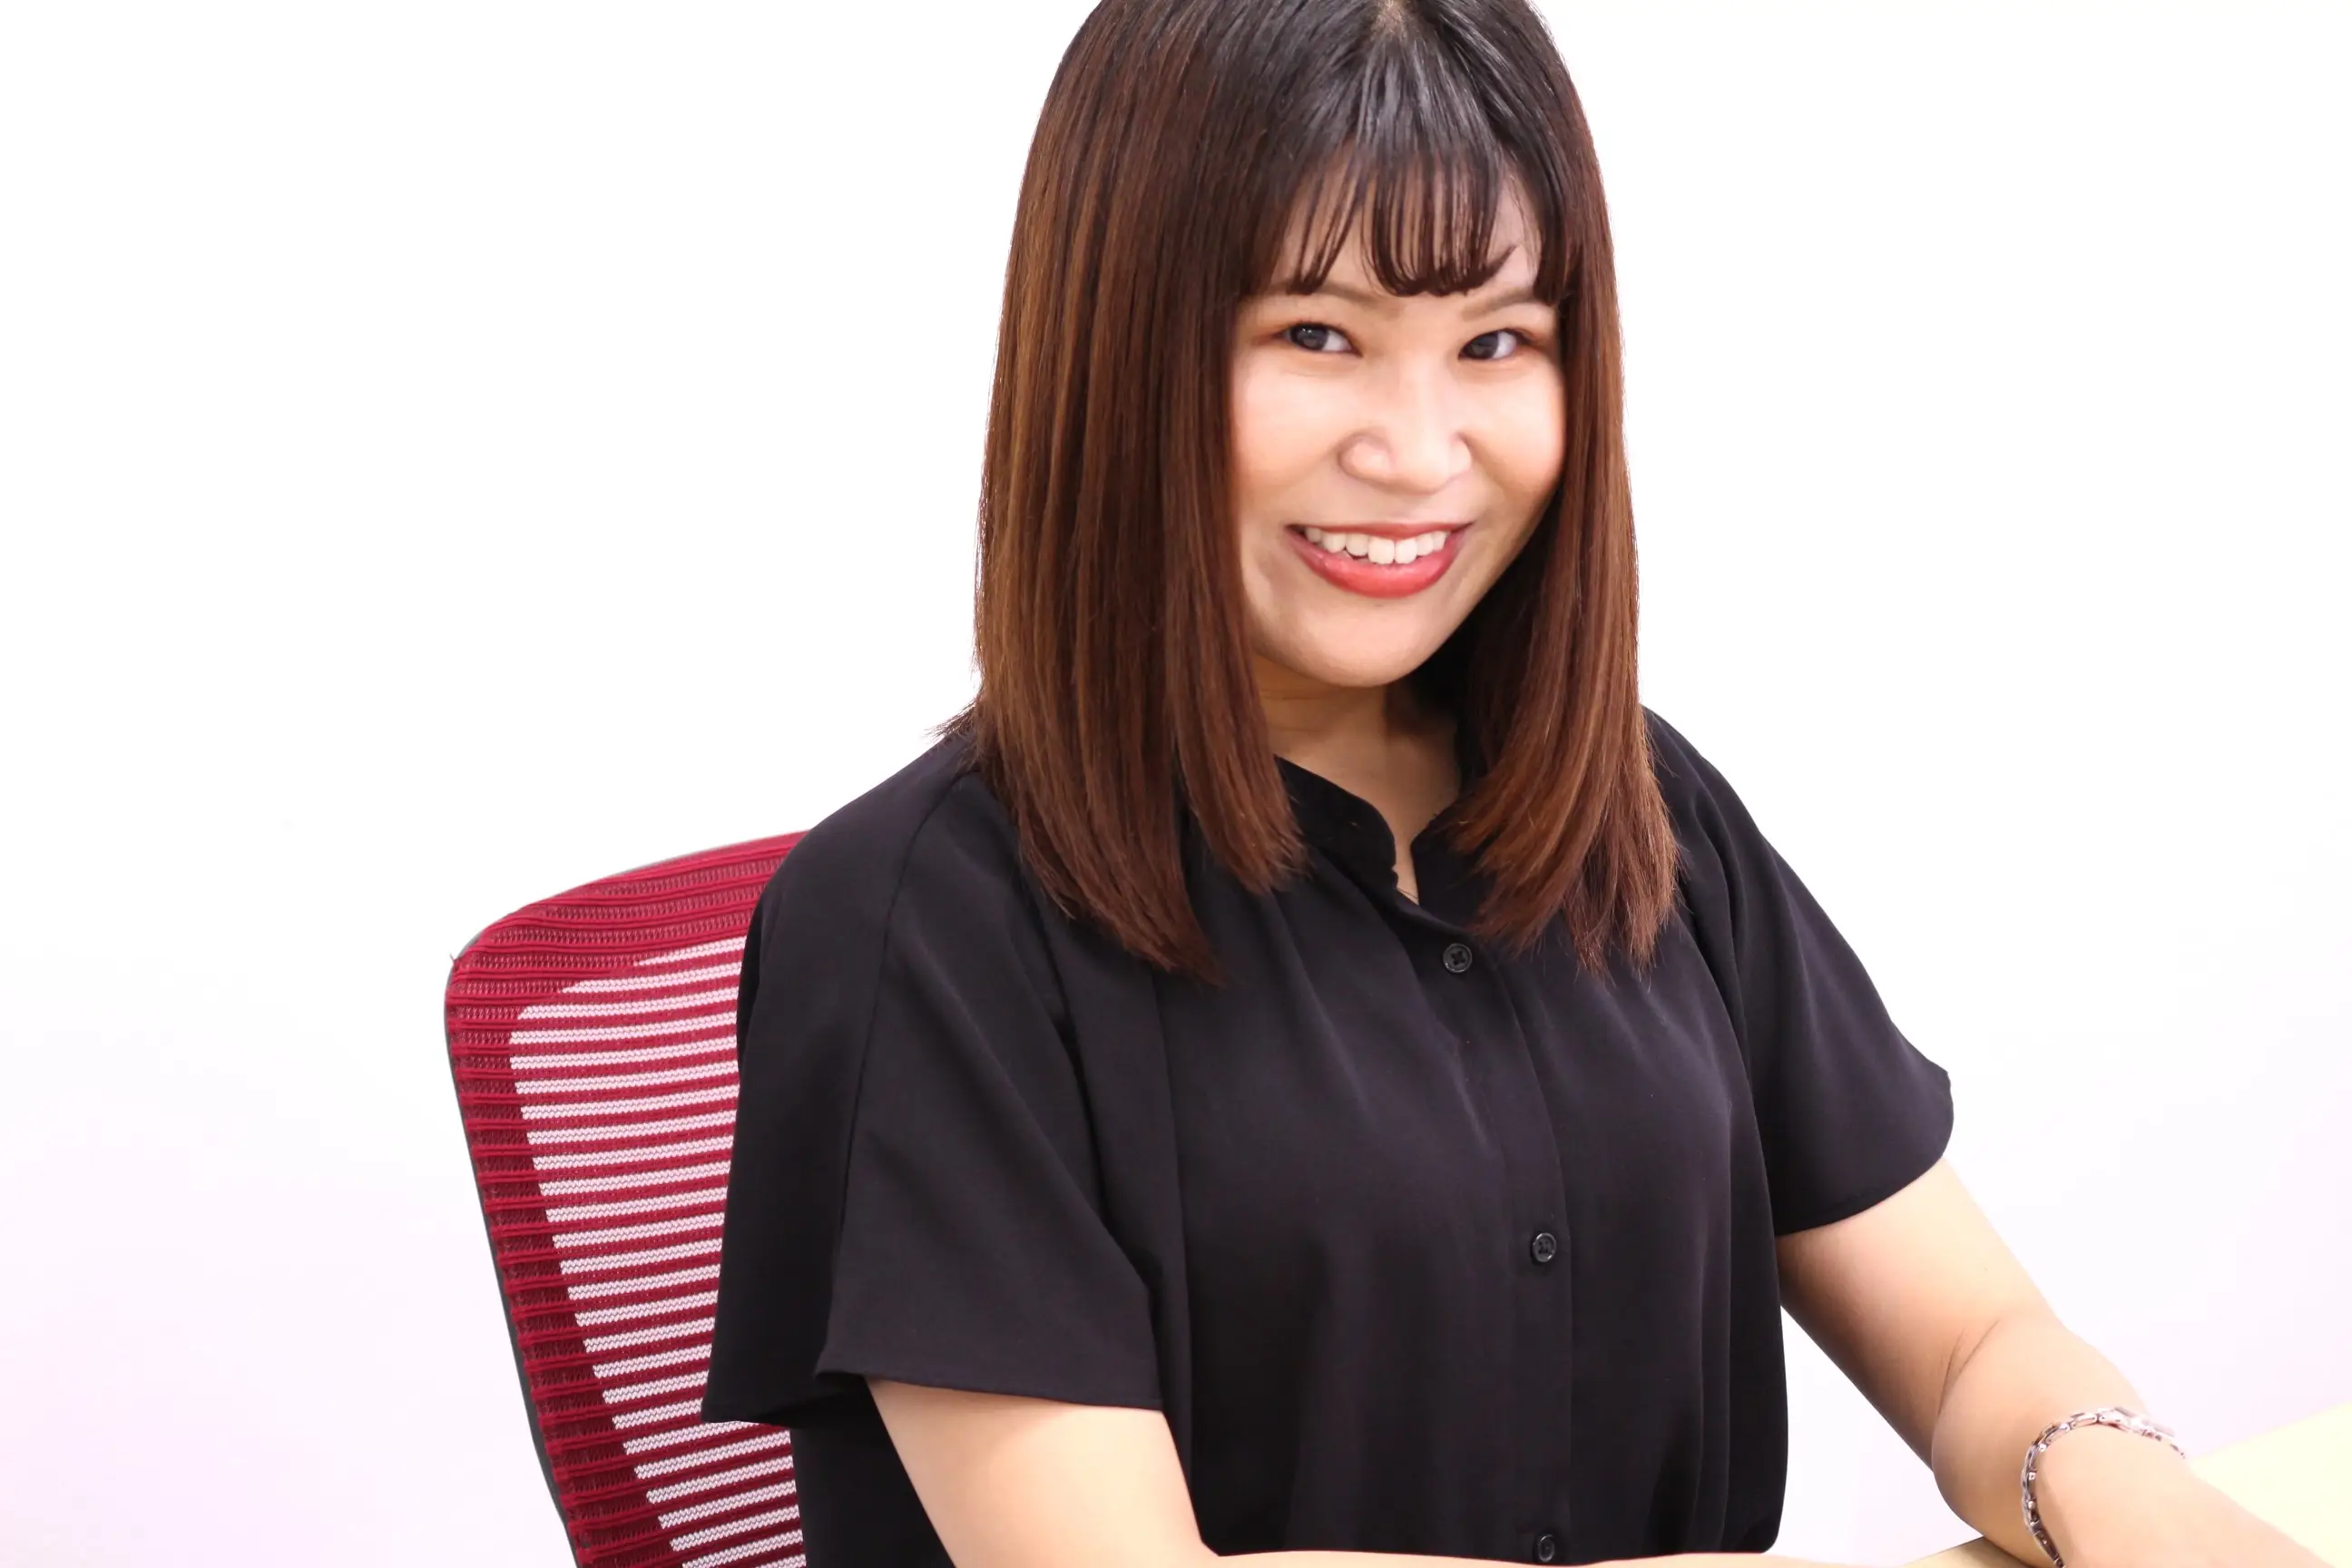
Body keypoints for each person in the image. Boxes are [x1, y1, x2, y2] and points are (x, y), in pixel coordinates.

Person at [701, 3, 2323, 1566]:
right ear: (1118, 354)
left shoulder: (1639, 811)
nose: (1419, 453)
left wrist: (2116, 1485)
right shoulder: (917, 923)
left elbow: (1973, 1341)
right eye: (1317, 336)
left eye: (1496, 342)